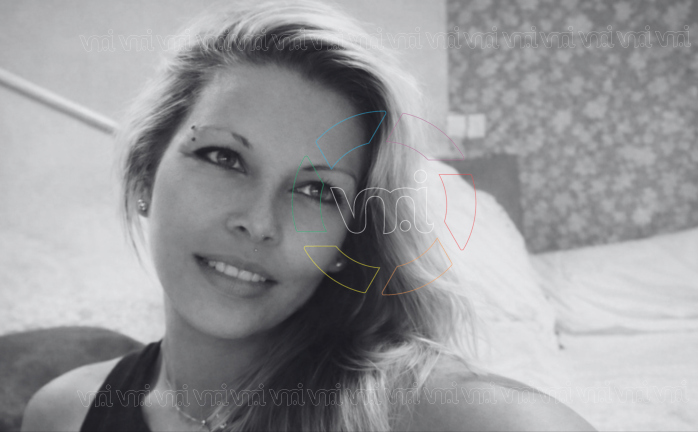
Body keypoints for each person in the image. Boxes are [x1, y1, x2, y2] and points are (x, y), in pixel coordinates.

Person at [22, 1, 595, 430]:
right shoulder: (64, 413)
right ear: (146, 174)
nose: (259, 221)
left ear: (348, 239)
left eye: (318, 191)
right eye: (224, 157)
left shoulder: (423, 412)